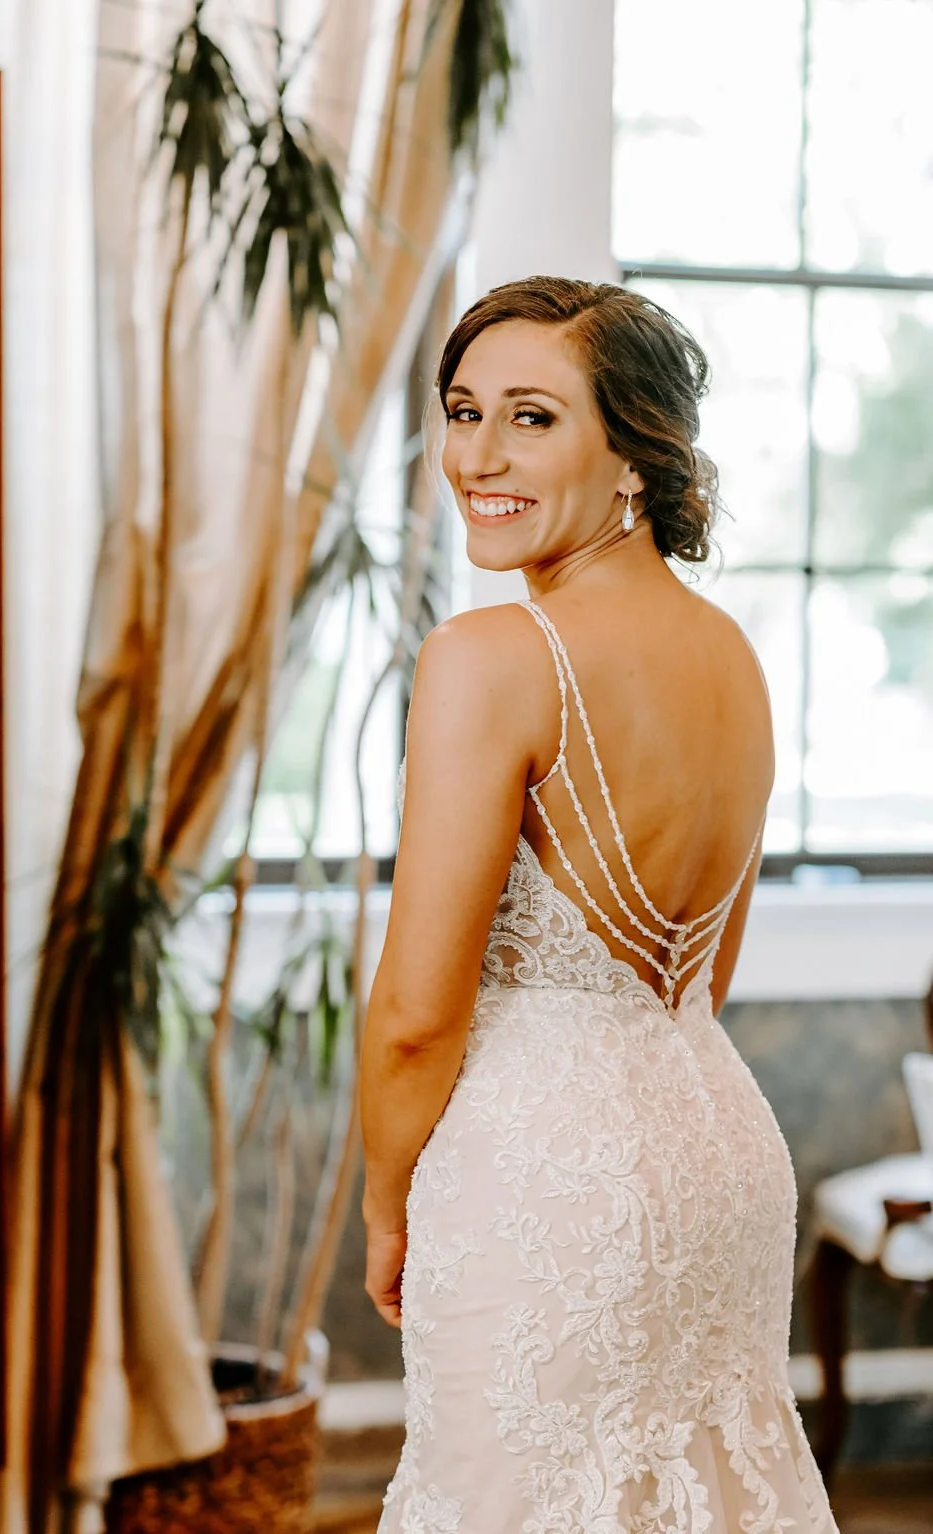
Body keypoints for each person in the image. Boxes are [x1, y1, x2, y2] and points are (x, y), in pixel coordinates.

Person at [359, 277, 837, 1533]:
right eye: (463, 412)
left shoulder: (489, 658)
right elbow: (705, 970)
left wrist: (383, 1202)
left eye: (531, 417)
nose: (477, 456)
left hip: (540, 1180)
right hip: (717, 1151)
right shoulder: (732, 656)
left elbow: (417, 1009)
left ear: (633, 450)